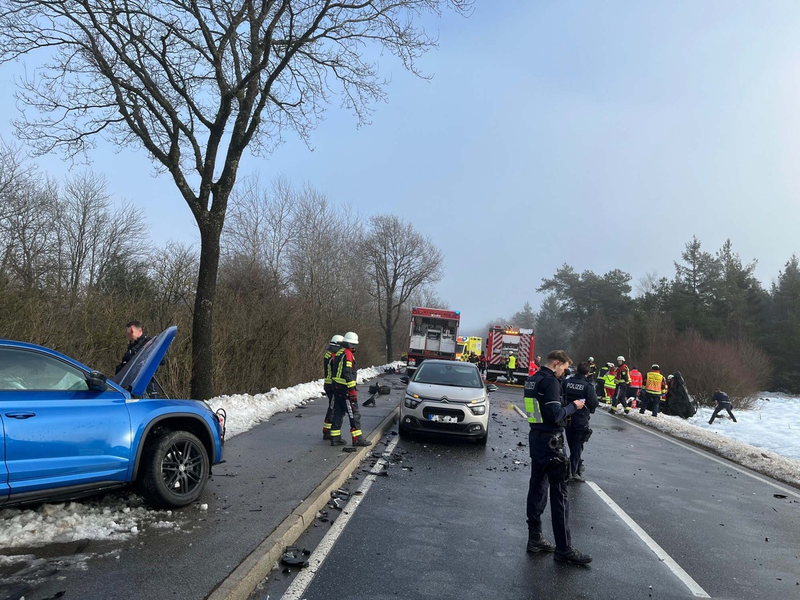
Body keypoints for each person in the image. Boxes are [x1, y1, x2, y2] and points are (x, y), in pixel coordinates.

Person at [523, 350, 592, 565]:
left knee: (537, 488)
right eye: (563, 368)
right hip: (551, 443)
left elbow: (536, 412)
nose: (564, 372)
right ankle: (564, 549)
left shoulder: (532, 380)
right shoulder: (550, 382)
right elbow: (555, 414)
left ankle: (535, 539)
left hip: (536, 438)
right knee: (560, 495)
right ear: (556, 363)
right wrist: (574, 407)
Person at [330, 332, 371, 447]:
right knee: (354, 413)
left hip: (337, 387)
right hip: (345, 389)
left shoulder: (339, 352)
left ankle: (335, 437)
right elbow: (348, 372)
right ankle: (357, 439)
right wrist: (352, 390)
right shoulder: (347, 354)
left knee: (339, 412)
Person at [564, 362, 599, 482]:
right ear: (587, 373)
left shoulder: (567, 382)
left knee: (571, 442)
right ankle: (573, 471)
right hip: (581, 418)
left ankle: (576, 466)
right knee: (577, 445)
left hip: (567, 416)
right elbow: (593, 403)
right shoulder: (587, 386)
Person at [322, 334, 344, 440]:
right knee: (333, 408)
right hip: (332, 385)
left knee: (332, 407)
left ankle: (327, 429)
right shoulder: (332, 356)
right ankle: (327, 431)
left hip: (328, 384)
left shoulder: (329, 354)